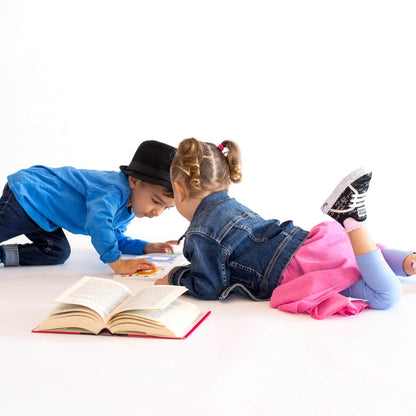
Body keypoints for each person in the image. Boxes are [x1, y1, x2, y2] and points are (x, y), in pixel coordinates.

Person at [155, 137, 416, 319]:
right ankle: (409, 261)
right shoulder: (231, 206)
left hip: (297, 271)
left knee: (385, 296)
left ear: (178, 189)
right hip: (309, 244)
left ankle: (352, 219)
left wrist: (175, 277)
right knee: (369, 257)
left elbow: (209, 286)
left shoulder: (202, 233)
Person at [0, 140, 178, 275]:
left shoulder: (129, 208)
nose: (157, 213)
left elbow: (114, 238)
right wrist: (117, 263)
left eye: (166, 208)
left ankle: (3, 255)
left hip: (45, 215)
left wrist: (146, 247)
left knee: (56, 252)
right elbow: (98, 224)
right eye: (156, 201)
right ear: (134, 181)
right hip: (28, 195)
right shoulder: (113, 191)